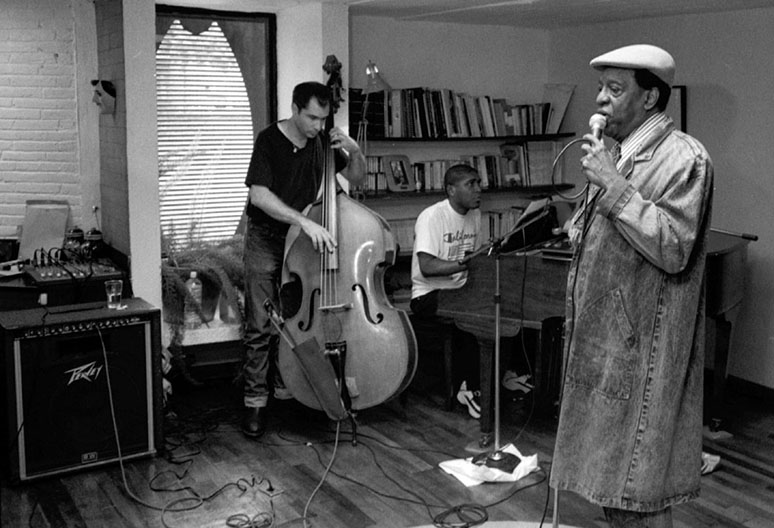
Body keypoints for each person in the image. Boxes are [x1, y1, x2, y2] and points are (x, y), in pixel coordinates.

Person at [550, 44, 714, 528]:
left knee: (634, 492)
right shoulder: (620, 155)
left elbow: (672, 246)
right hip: (605, 347)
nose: (600, 99)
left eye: (614, 89)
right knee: (612, 486)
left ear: (649, 98)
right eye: (601, 88)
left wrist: (612, 185)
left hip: (641, 354)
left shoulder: (685, 159)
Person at [241, 81, 366, 438]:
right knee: (261, 323)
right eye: (312, 117)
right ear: (295, 109)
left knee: (297, 319)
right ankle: (255, 402)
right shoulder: (269, 140)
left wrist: (355, 152)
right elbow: (260, 195)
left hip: (303, 242)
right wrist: (304, 220)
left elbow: (355, 179)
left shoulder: (324, 141)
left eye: (324, 119)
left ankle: (289, 395)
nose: (318, 126)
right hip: (268, 237)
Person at [410, 164, 483, 419]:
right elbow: (427, 267)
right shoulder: (431, 216)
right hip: (427, 295)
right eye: (470, 184)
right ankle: (469, 388)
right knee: (476, 318)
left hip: (460, 291)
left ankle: (488, 382)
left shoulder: (475, 215)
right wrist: (462, 264)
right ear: (451, 190)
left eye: (478, 183)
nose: (478, 189)